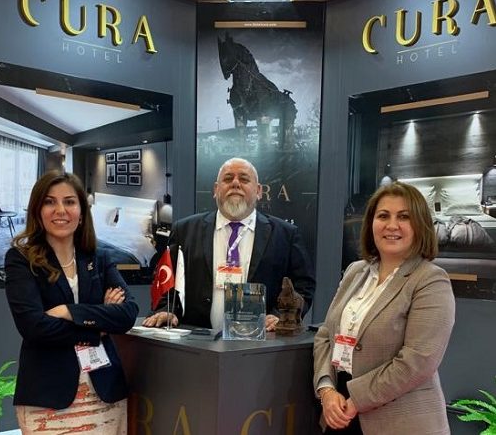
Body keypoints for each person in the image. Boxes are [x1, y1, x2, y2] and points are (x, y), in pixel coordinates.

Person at [313, 181, 455, 434]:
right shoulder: (355, 271)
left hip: (400, 422)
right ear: (371, 223)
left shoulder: (431, 280)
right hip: (338, 412)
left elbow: (418, 361)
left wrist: (356, 400)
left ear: (420, 225)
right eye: (383, 216)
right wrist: (326, 389)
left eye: (404, 217)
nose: (392, 225)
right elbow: (326, 335)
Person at [5, 171, 138, 434]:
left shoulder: (100, 258)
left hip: (105, 395)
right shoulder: (20, 259)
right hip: (47, 397)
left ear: (81, 212)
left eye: (69, 201)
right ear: (38, 211)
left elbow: (127, 314)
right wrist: (99, 324)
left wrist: (69, 311)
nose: (60, 210)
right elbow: (33, 326)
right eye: (49, 202)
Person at [143, 157, 315, 332]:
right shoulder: (185, 230)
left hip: (261, 341)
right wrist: (166, 310)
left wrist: (281, 316)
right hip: (197, 340)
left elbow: (304, 286)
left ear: (258, 191)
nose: (235, 183)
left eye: (244, 179)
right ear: (216, 190)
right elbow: (167, 278)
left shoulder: (285, 234)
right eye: (228, 179)